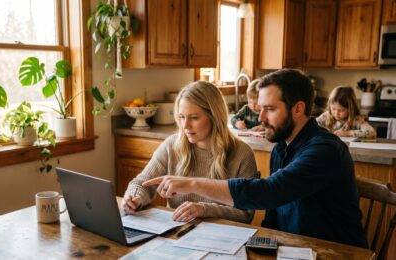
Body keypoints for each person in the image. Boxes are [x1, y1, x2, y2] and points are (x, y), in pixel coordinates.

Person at [143, 69, 368, 248]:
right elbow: (273, 214)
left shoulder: (324, 150)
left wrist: (191, 184)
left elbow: (270, 191)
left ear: (298, 109)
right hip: (294, 249)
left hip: (336, 252)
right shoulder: (281, 147)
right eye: (260, 108)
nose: (260, 117)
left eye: (269, 109)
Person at [122, 81, 258, 224]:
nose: (185, 125)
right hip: (177, 233)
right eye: (181, 117)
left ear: (214, 116)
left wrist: (203, 209)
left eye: (194, 117)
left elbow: (245, 213)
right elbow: (141, 182)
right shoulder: (171, 145)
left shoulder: (242, 154)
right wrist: (134, 197)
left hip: (223, 237)